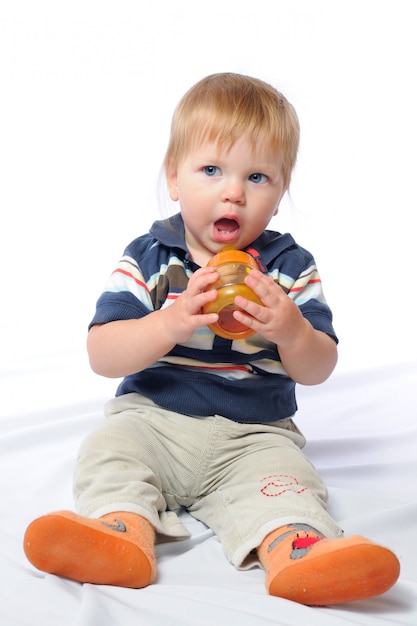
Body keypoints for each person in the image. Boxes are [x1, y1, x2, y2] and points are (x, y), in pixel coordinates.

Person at [23, 72, 400, 606]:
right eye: (211, 170)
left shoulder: (289, 268)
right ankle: (121, 531)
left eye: (258, 177)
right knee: (111, 451)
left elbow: (318, 368)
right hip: (155, 420)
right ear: (174, 179)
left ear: (280, 192)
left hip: (254, 436)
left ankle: (298, 549)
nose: (233, 191)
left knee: (286, 484)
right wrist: (172, 322)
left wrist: (292, 329)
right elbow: (103, 355)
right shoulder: (151, 258)